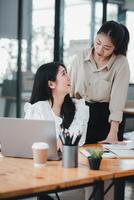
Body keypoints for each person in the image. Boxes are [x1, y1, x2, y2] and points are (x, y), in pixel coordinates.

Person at [70, 20, 130, 144]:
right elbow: (69, 92)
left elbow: (117, 103)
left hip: (105, 121)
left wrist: (113, 133)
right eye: (98, 43)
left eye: (107, 48)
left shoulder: (121, 63)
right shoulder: (80, 58)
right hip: (78, 117)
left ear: (115, 48)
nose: (99, 50)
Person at [24, 62, 89, 147]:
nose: (69, 78)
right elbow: (31, 141)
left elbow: (79, 140)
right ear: (51, 84)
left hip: (70, 158)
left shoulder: (79, 107)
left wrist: (54, 143)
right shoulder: (37, 109)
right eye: (63, 74)